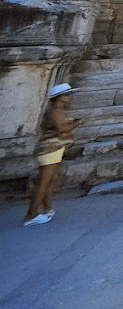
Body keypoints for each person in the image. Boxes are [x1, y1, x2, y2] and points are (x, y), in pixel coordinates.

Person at [23, 83, 79, 226]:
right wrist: (78, 123)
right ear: (59, 97)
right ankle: (31, 216)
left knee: (47, 183)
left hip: (52, 149)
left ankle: (47, 209)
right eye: (67, 95)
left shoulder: (56, 110)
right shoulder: (55, 110)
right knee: (43, 184)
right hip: (50, 150)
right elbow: (62, 129)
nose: (70, 97)